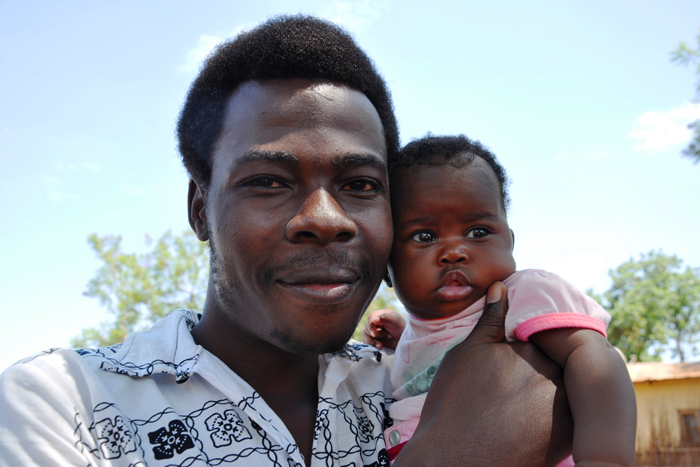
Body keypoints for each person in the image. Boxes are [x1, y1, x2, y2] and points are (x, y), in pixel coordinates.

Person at [0, 16, 572, 467]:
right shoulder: (64, 407)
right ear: (201, 210)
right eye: (269, 182)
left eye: (360, 185)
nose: (326, 219)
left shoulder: (419, 382)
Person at [363, 134, 637, 466]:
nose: (454, 252)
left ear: (510, 242)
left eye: (477, 232)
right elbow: (440, 363)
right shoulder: (412, 335)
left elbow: (594, 356)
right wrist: (404, 337)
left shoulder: (522, 295)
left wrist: (604, 458)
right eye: (425, 236)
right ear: (387, 270)